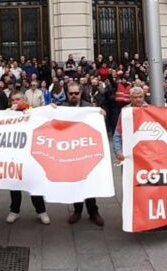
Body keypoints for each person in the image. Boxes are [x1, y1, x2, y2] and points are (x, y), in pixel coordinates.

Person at [5, 91, 50, 225]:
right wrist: (11, 114)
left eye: (18, 99)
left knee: (34, 185)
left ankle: (41, 211)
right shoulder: (7, 112)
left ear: (24, 100)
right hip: (14, 155)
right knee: (14, 186)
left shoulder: (32, 112)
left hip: (30, 155)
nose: (16, 102)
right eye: (13, 100)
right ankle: (14, 211)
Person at [65, 82, 105, 226]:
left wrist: (100, 115)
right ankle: (77, 210)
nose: (74, 96)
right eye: (71, 93)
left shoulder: (89, 107)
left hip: (87, 151)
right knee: (75, 183)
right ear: (67, 94)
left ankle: (93, 211)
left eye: (76, 93)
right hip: (69, 152)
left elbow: (100, 125)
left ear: (81, 93)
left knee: (89, 182)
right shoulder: (62, 108)